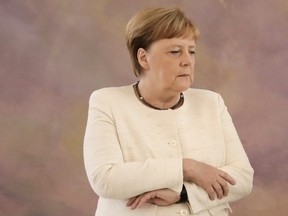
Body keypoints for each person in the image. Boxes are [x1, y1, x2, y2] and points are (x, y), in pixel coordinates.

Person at [83, 7, 254, 216]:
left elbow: (243, 178)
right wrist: (187, 168)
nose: (187, 60)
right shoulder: (107, 101)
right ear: (143, 58)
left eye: (191, 51)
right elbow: (105, 179)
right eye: (175, 51)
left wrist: (183, 193)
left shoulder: (212, 102)